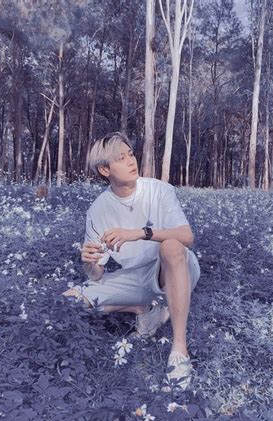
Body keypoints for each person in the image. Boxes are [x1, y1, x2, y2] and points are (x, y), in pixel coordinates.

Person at [63, 132, 200, 391]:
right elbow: (96, 274)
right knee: (69, 300)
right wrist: (89, 262)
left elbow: (187, 237)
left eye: (130, 154)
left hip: (175, 268)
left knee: (171, 246)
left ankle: (179, 350)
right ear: (105, 170)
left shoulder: (159, 190)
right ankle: (144, 311)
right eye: (121, 158)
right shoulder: (98, 210)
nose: (131, 161)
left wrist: (139, 233)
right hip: (137, 276)